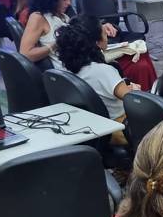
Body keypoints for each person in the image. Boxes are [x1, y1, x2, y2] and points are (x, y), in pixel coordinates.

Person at [55, 14, 139, 143]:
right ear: (97, 43)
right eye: (104, 34)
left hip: (94, 128)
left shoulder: (66, 70)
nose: (107, 38)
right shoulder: (104, 71)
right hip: (120, 129)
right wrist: (135, 90)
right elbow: (132, 100)